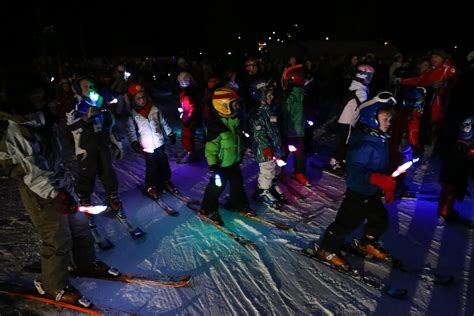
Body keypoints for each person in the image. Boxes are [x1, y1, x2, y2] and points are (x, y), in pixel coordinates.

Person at [0, 93, 119, 307]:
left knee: (79, 225)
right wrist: (56, 194)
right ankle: (52, 285)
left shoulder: (42, 119)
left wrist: (65, 185)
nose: (44, 99)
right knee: (57, 236)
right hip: (40, 191)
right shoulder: (16, 130)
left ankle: (84, 263)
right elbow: (31, 170)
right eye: (37, 95)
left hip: (60, 183)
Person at [314, 92, 397, 270]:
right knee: (345, 224)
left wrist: (386, 186)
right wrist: (376, 178)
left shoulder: (379, 139)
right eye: (385, 119)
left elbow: (379, 167)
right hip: (358, 192)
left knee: (380, 220)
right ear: (371, 119)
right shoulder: (363, 143)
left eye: (390, 119)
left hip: (372, 192)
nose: (389, 123)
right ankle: (326, 249)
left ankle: (367, 243)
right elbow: (355, 172)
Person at [66, 75, 125, 216]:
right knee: (87, 174)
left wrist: (116, 144)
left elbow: (110, 126)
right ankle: (85, 199)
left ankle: (113, 196)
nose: (89, 89)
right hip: (86, 147)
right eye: (85, 86)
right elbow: (71, 127)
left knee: (108, 172)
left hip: (103, 144)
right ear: (78, 89)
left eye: (91, 86)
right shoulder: (76, 107)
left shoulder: (100, 103)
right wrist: (86, 118)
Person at [199, 87, 254, 226]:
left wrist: (241, 151)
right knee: (216, 187)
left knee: (237, 185)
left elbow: (236, 141)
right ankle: (208, 209)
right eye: (234, 104)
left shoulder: (233, 122)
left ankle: (238, 203)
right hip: (221, 166)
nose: (237, 107)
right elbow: (210, 149)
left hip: (234, 162)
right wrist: (213, 165)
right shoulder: (215, 126)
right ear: (224, 106)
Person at [125, 82, 177, 199]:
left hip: (159, 142)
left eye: (143, 97)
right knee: (152, 165)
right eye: (138, 98)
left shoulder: (154, 109)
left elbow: (163, 122)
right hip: (147, 145)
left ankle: (166, 180)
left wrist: (170, 133)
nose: (142, 100)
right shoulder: (133, 115)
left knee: (163, 162)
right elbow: (131, 130)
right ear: (134, 100)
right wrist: (134, 141)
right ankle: (151, 185)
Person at [395, 49, 457, 147]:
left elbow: (454, 82)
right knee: (420, 126)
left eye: (436, 56)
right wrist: (402, 80)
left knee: (433, 128)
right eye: (432, 57)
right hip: (425, 103)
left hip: (438, 104)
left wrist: (445, 84)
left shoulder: (448, 69)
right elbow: (420, 80)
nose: (433, 59)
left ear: (442, 58)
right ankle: (418, 146)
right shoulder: (432, 70)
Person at [327, 64, 374, 176]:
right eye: (369, 76)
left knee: (346, 141)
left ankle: (341, 160)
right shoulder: (359, 89)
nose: (370, 79)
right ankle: (334, 162)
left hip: (348, 120)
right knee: (345, 142)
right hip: (347, 120)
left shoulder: (357, 86)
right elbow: (365, 105)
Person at [248, 78, 286, 206]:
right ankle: (262, 191)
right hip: (264, 150)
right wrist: (266, 147)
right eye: (269, 95)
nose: (272, 96)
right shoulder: (257, 115)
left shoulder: (270, 110)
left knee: (275, 169)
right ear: (261, 96)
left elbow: (274, 128)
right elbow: (259, 134)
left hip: (274, 147)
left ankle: (270, 186)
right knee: (267, 170)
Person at [437, 116, 474, 223]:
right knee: (450, 188)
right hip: (455, 164)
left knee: (449, 187)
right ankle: (445, 213)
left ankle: (444, 212)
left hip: (452, 161)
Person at [176, 71, 200, 164]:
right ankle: (187, 150)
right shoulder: (185, 92)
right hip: (186, 118)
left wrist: (189, 119)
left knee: (188, 137)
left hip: (189, 120)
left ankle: (190, 153)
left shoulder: (189, 94)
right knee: (185, 136)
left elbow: (192, 108)